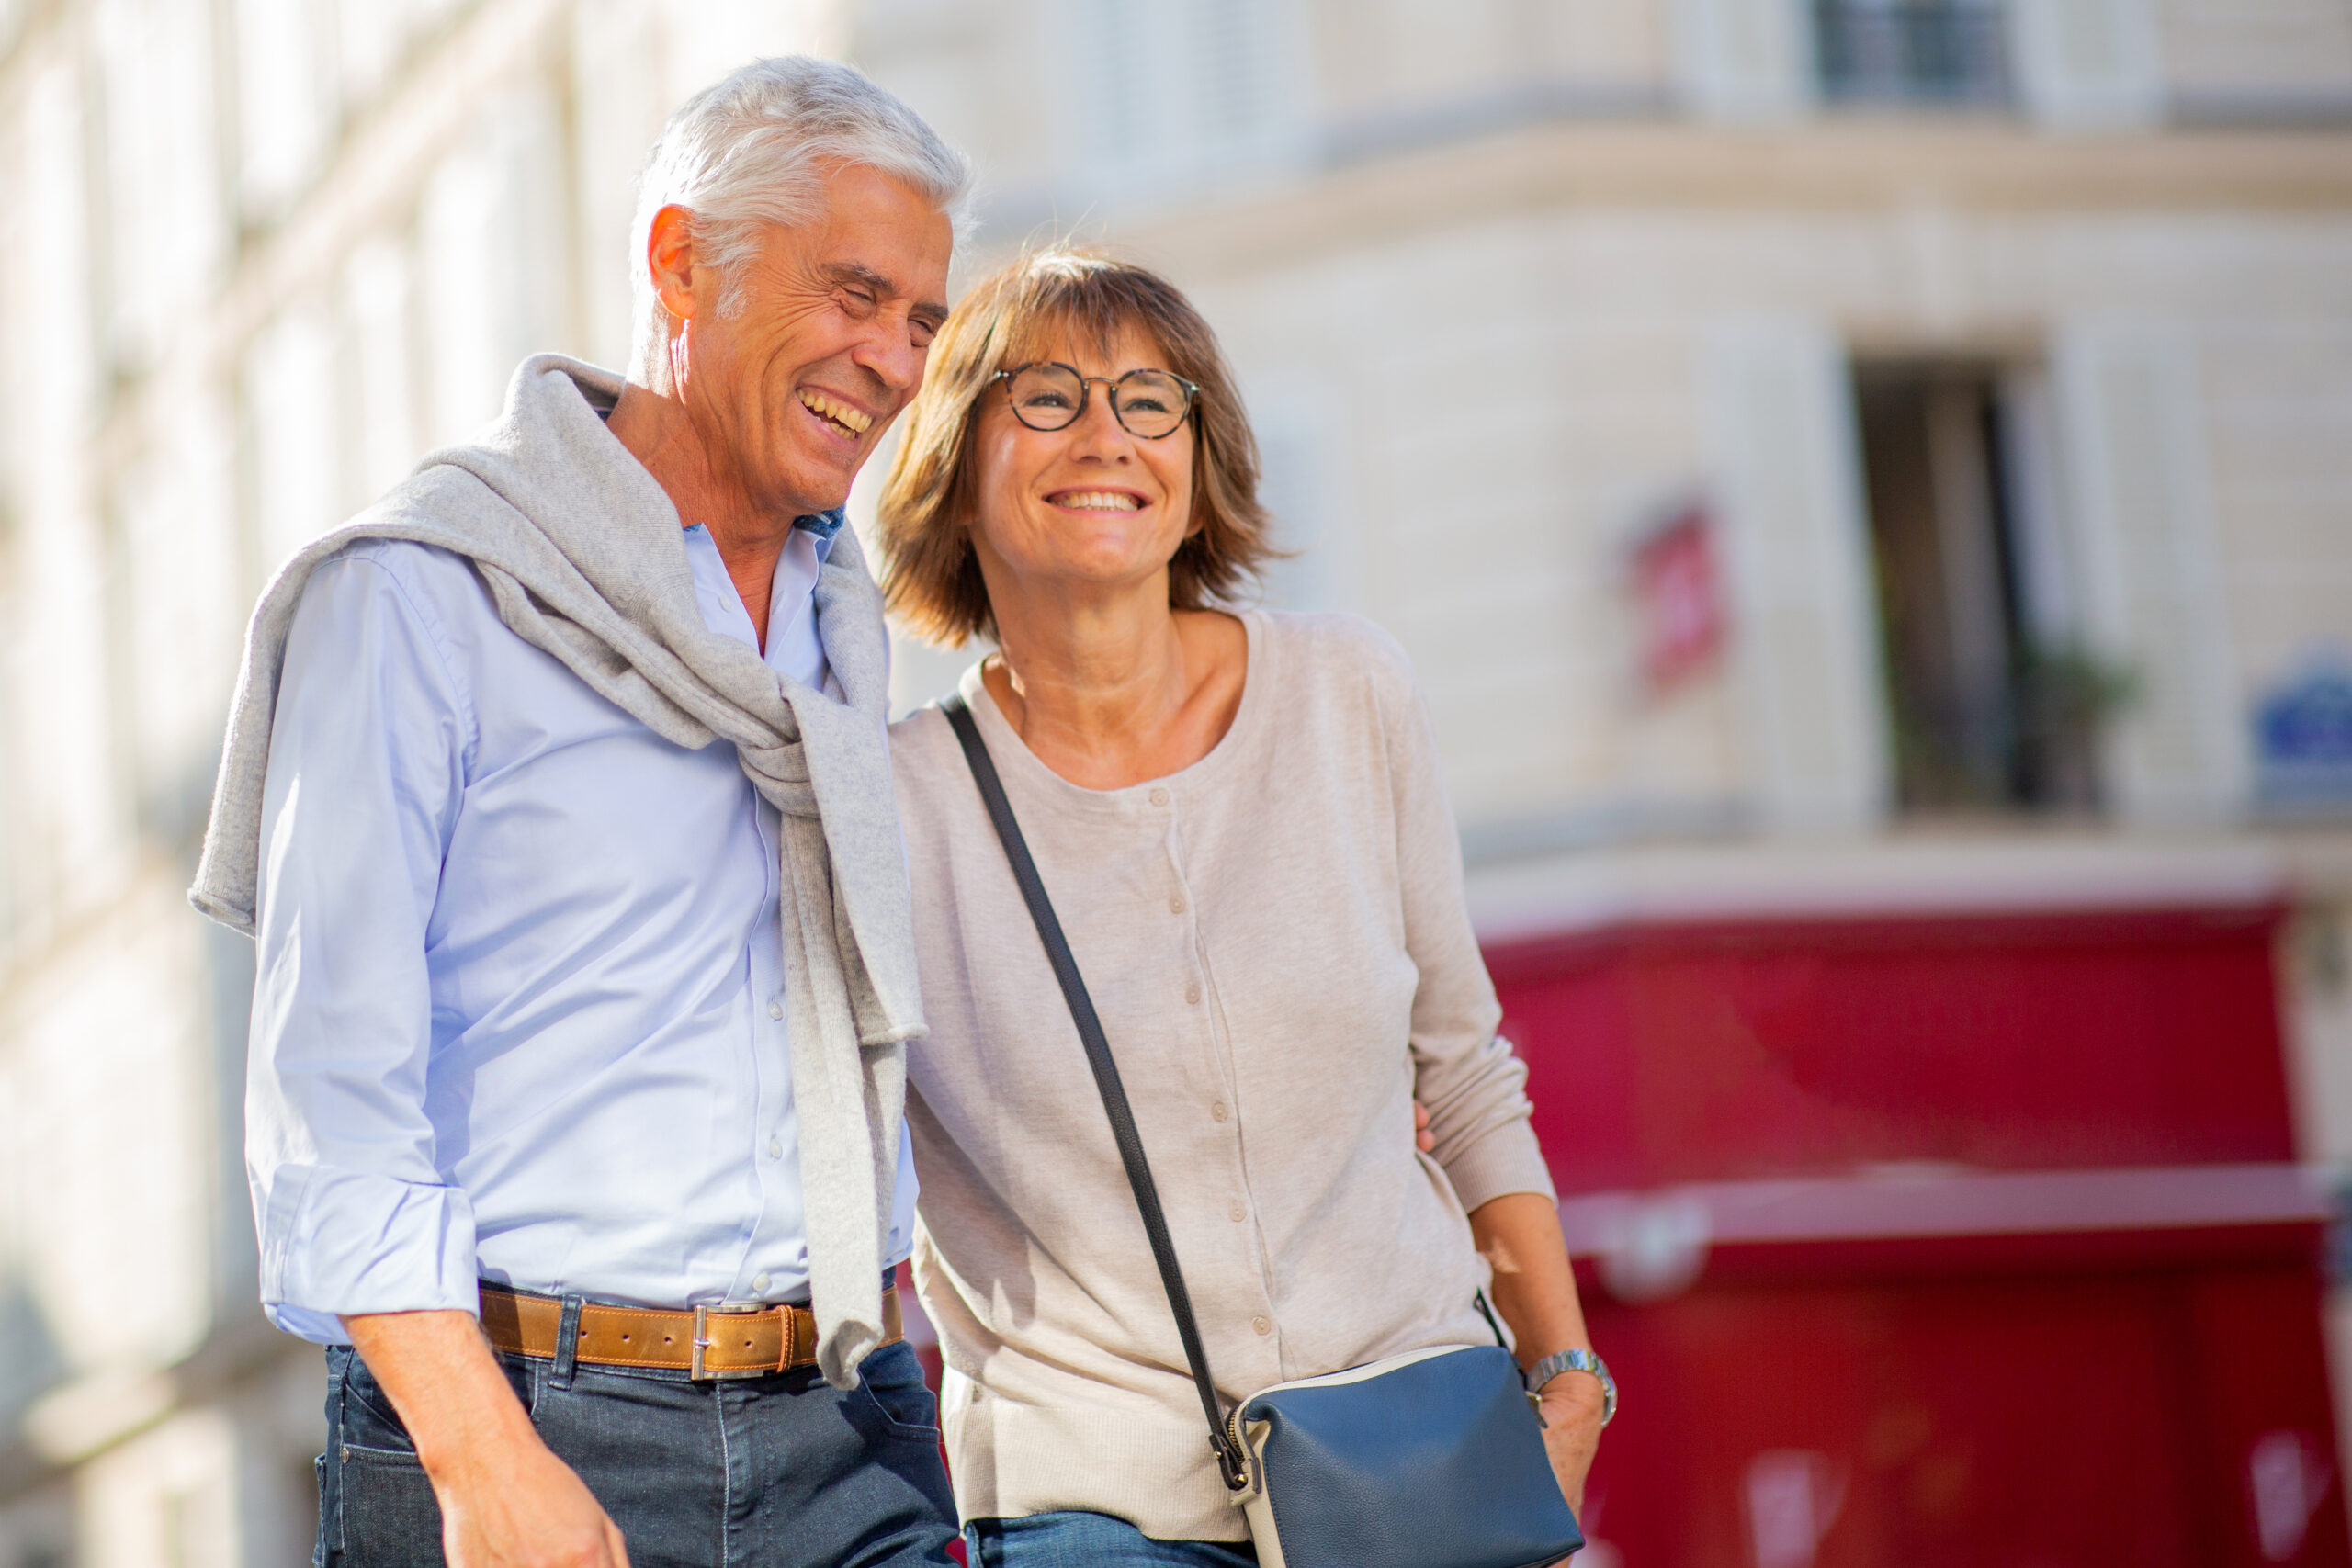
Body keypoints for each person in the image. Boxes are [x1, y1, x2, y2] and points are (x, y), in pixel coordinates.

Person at [191, 59, 967, 1568]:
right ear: (684, 262)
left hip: (844, 1425)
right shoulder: (424, 593)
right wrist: (483, 1461)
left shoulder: (839, 624)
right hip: (530, 1426)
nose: (890, 360)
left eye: (921, 321)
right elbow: (329, 1096)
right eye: (853, 295)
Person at [876, 250, 1611, 1567]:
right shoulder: (892, 801)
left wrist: (1567, 1385)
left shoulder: (1347, 696)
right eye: (1046, 398)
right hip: (1086, 1498)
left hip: (1415, 1445)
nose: (1106, 434)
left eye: (1151, 401)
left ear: (1198, 463)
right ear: (954, 463)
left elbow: (1467, 1069)